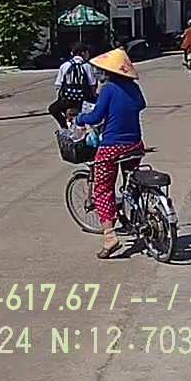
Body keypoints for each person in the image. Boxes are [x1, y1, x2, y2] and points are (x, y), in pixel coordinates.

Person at [75, 48, 146, 259]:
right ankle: (137, 215)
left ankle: (109, 236)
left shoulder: (108, 89)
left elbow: (95, 117)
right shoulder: (134, 88)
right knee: (132, 182)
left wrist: (80, 119)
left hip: (112, 146)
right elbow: (141, 105)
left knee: (103, 189)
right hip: (135, 144)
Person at [49, 43, 98, 128]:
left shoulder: (64, 65)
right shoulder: (87, 66)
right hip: (83, 100)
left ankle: (64, 127)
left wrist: (62, 98)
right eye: (87, 52)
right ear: (83, 53)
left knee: (52, 109)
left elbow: (58, 85)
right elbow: (93, 84)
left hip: (68, 100)